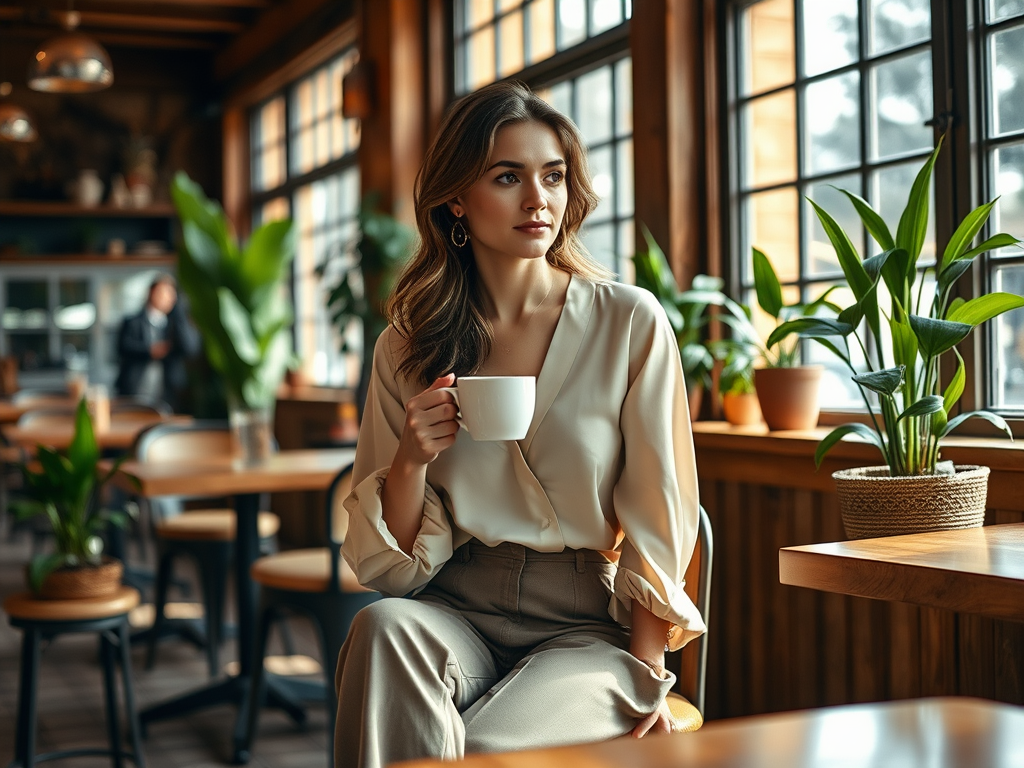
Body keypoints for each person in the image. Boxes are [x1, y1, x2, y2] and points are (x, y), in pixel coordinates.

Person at [335, 80, 705, 768]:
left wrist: (647, 676)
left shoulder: (629, 323)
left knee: (484, 750)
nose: (538, 200)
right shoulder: (406, 346)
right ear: (456, 199)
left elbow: (662, 512)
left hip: (585, 632)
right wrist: (412, 460)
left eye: (554, 176)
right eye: (508, 177)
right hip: (454, 607)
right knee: (380, 631)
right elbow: (389, 572)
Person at [115, 274, 199, 412]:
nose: (167, 297)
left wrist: (179, 312)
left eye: (171, 294)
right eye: (163, 292)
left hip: (167, 393)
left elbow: (190, 348)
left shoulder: (175, 325)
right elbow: (122, 348)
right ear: (151, 292)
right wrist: (149, 351)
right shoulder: (132, 322)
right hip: (134, 389)